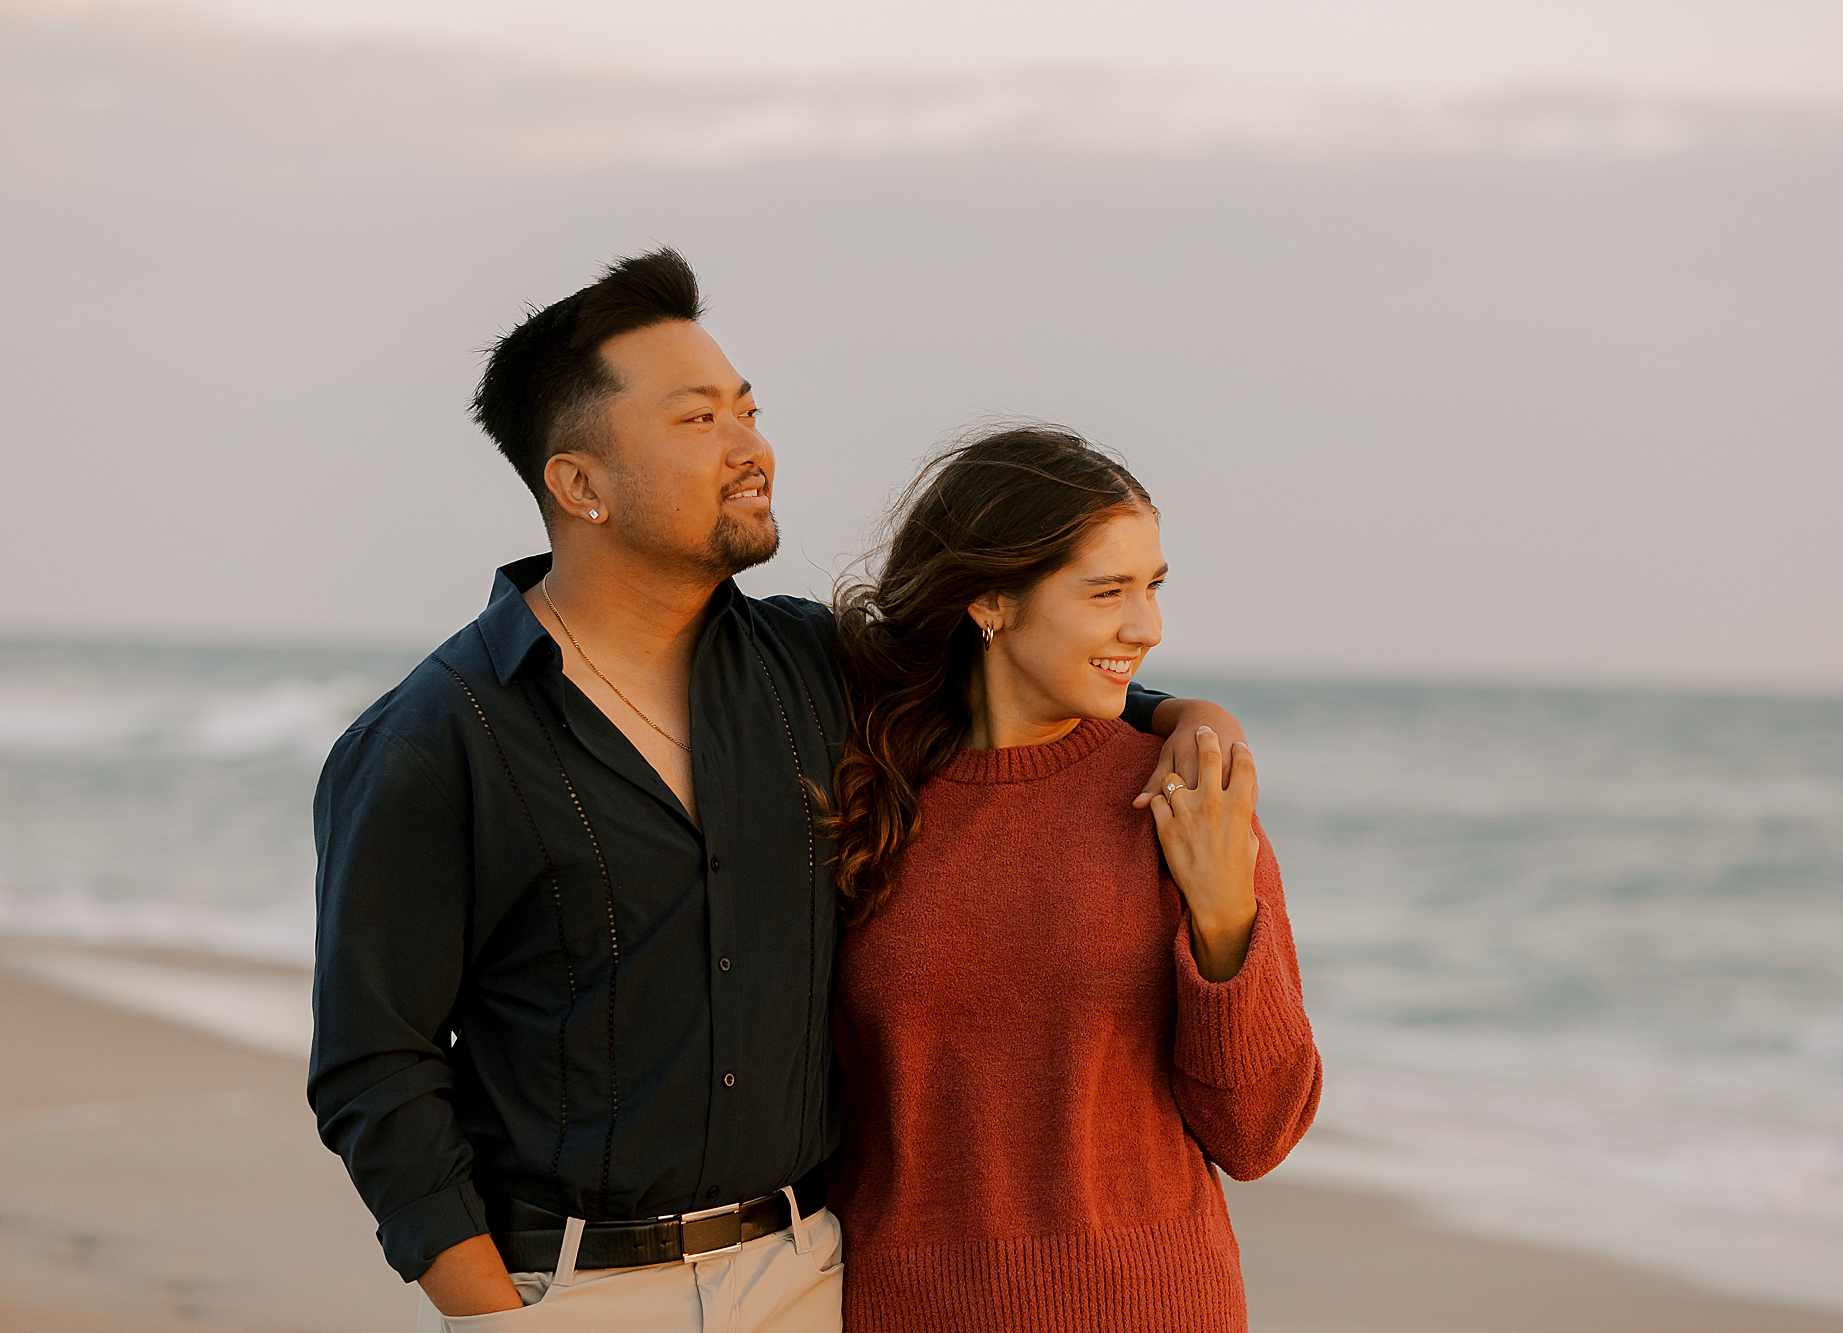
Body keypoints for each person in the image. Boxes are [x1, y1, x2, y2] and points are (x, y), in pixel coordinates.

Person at [309, 249, 1247, 1331]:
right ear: (579, 485)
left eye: (747, 410)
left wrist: (1186, 720)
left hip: (810, 1278)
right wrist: (494, 1313)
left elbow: (1014, 664)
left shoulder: (815, 664)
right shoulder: (434, 739)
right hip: (575, 1293)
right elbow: (374, 1066)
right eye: (697, 421)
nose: (750, 448)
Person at [822, 427, 1322, 1333]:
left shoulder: (1183, 795)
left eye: (1154, 586)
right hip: (904, 1307)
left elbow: (1259, 1133)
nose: (1148, 626)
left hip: (1152, 1304)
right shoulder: (864, 792)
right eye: (1107, 592)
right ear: (989, 601)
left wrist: (1222, 916)